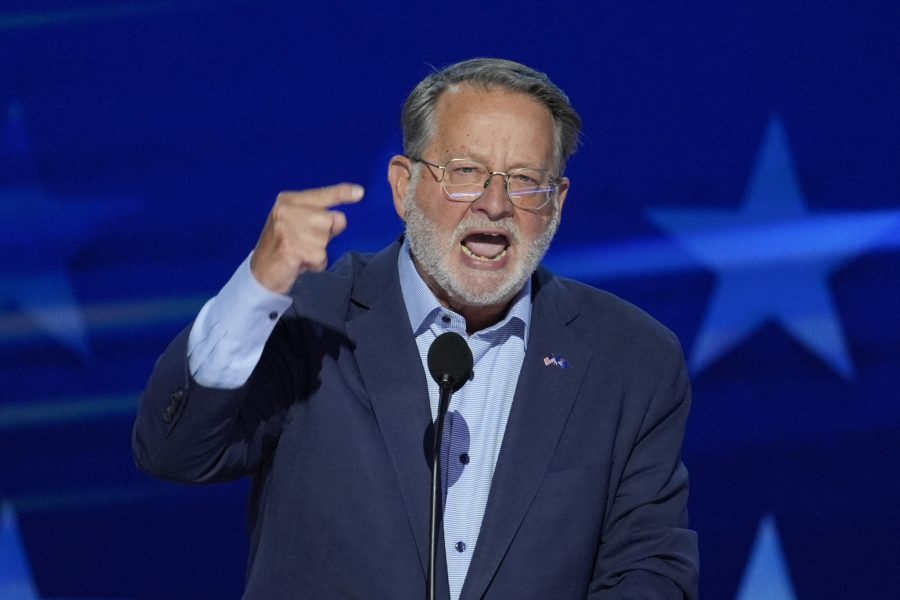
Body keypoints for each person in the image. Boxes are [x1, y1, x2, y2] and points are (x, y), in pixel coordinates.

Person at [133, 58, 699, 599]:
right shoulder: (312, 319)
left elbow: (649, 569)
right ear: (404, 186)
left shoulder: (631, 359)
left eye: (526, 181)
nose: (495, 203)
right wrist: (258, 288)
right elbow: (175, 452)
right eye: (465, 172)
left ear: (555, 203)